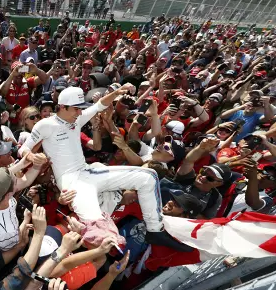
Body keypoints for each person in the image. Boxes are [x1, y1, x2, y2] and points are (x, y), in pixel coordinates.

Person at [20, 86, 191, 252]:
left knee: (149, 176)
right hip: (71, 184)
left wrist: (117, 92)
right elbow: (23, 149)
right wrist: (32, 157)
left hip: (89, 172)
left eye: (81, 109)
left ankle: (154, 230)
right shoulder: (45, 125)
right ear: (63, 107)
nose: (80, 113)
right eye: (76, 109)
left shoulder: (76, 119)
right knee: (100, 231)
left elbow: (99, 104)